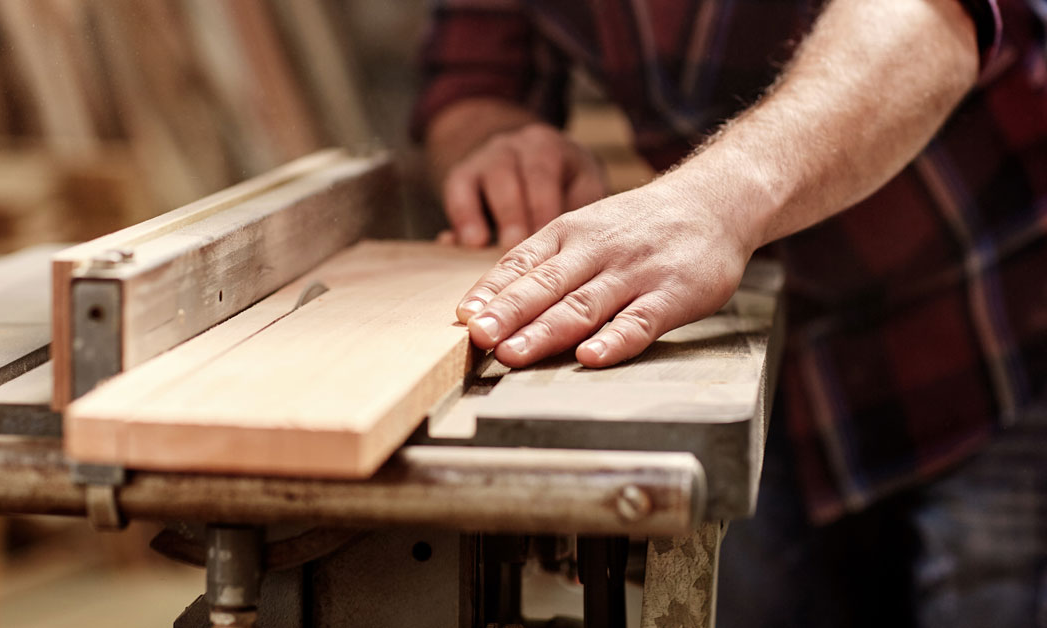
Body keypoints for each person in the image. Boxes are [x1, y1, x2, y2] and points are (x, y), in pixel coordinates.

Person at [411, 0, 1047, 626]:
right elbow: (470, 79)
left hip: (990, 321)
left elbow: (932, 16)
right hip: (766, 355)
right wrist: (498, 143)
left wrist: (715, 204)